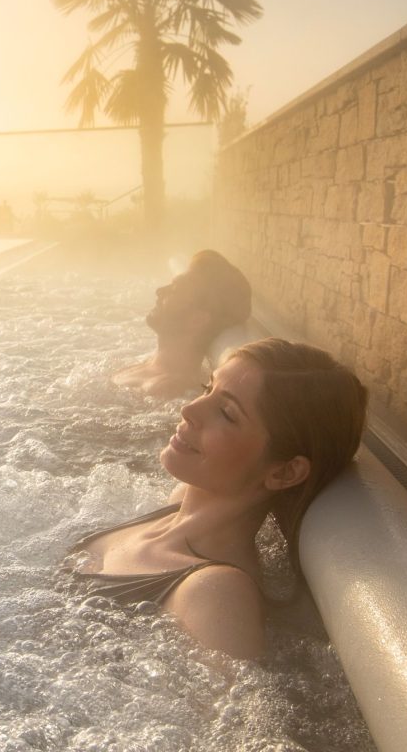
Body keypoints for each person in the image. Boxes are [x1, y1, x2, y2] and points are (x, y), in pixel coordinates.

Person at [64, 338, 368, 659]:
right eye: (207, 388)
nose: (189, 409)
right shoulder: (176, 505)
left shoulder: (216, 593)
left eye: (226, 412)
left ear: (285, 473)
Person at [113, 250, 252, 399]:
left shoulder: (167, 388)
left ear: (197, 319)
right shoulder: (151, 365)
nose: (159, 291)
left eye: (174, 289)